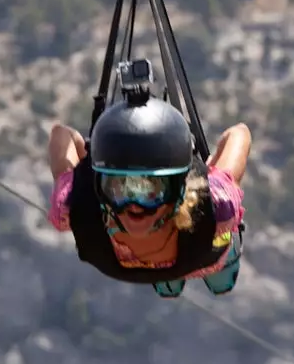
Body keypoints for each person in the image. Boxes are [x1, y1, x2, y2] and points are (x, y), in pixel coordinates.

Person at [46, 90, 250, 298]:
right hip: (199, 252)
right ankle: (174, 277)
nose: (134, 205)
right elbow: (239, 133)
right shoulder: (218, 204)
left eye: (150, 190)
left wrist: (87, 160)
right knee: (218, 274)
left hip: (202, 248)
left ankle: (171, 280)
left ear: (178, 191)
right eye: (120, 188)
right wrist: (214, 172)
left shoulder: (215, 203)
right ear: (102, 190)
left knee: (215, 271)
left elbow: (61, 134)